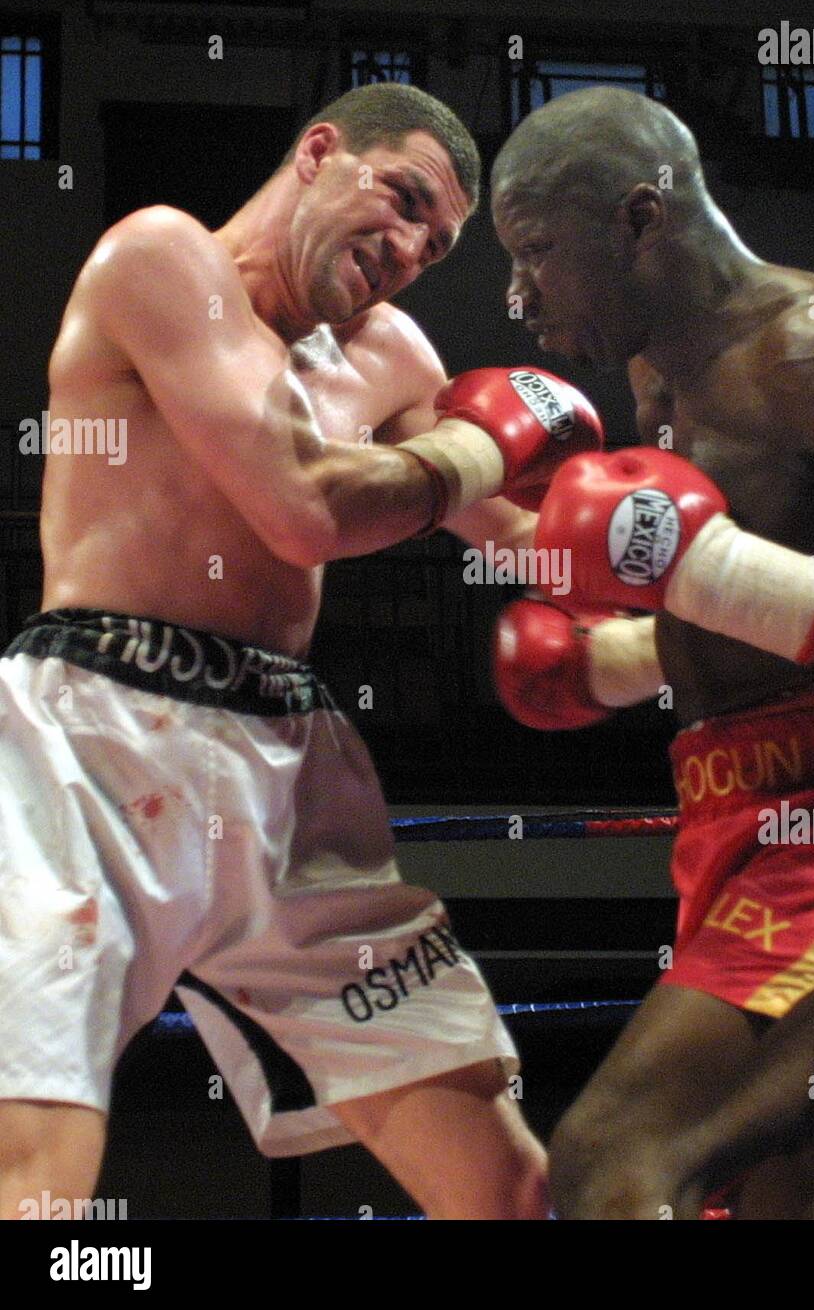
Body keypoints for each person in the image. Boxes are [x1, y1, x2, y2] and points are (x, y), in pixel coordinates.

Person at [0, 81, 603, 1220]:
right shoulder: (161, 257)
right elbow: (304, 507)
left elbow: (536, 543)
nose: (411, 250)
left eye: (436, 244)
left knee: (506, 1184)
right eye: (404, 199)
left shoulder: (395, 354)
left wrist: (700, 592)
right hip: (81, 743)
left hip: (291, 766)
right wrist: (481, 448)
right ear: (320, 153)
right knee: (33, 1181)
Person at [489, 85, 814, 1219]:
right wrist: (606, 664)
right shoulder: (651, 377)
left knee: (606, 1165)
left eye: (537, 253)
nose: (516, 295)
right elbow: (740, 621)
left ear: (640, 218)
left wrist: (709, 573)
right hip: (734, 824)